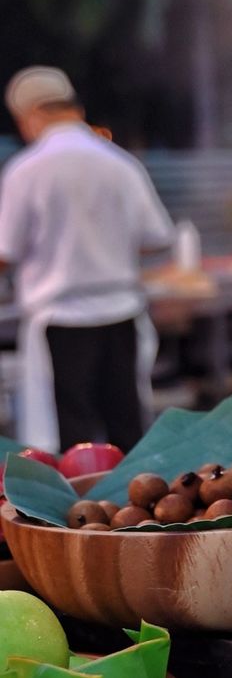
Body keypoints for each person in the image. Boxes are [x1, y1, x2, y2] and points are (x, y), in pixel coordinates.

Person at [0, 66, 175, 452]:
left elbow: (5, 252)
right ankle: (133, 509)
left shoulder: (27, 170)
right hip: (121, 313)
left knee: (72, 440)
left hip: (61, 320)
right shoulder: (120, 163)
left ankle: (75, 512)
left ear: (30, 115)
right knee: (126, 429)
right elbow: (157, 238)